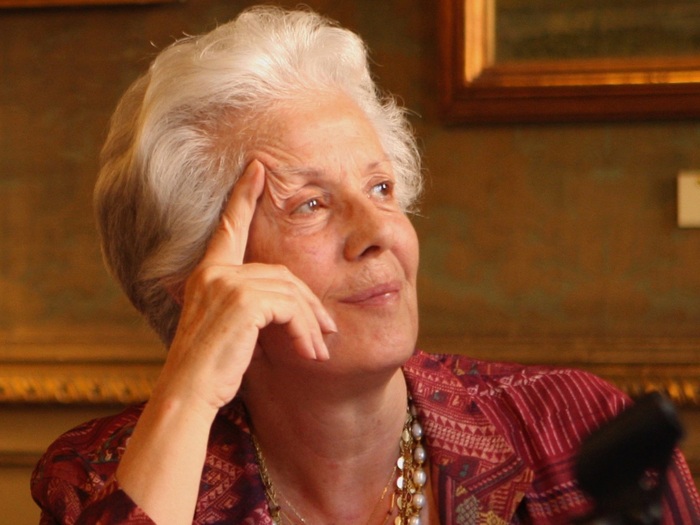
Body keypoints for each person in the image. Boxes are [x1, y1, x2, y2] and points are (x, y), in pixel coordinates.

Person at [31, 6, 700, 525]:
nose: (379, 231)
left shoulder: (575, 430)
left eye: (381, 188)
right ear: (200, 281)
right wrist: (188, 394)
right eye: (311, 204)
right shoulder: (99, 476)